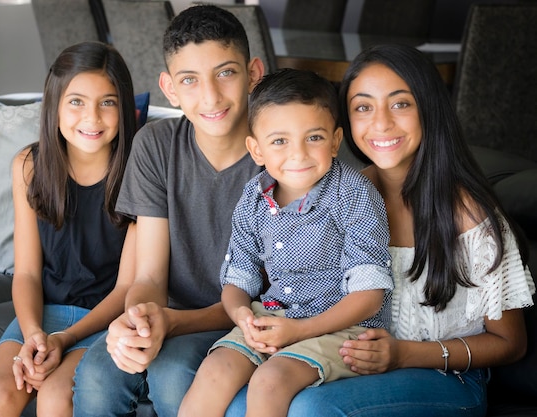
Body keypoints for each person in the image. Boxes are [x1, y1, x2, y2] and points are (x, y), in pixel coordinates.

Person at [224, 43, 536, 417]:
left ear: (428, 108)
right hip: (341, 353)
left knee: (311, 409)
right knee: (241, 398)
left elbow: (510, 343)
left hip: (444, 376)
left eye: (401, 103)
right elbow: (268, 287)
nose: (381, 122)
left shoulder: (469, 215)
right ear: (345, 124)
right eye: (363, 107)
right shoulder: (341, 197)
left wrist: (405, 354)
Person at [71, 5, 265, 417]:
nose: (210, 96)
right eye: (189, 80)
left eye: (226, 73)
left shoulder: (278, 152)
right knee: (97, 374)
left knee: (174, 372)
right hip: (167, 314)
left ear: (254, 72)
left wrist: (171, 323)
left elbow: (264, 295)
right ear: (169, 88)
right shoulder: (155, 146)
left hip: (241, 321)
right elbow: (149, 276)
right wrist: (140, 318)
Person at [178, 68, 394, 417]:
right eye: (280, 141)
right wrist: (243, 316)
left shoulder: (354, 194)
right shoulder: (253, 197)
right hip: (275, 316)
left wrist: (299, 331)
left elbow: (369, 297)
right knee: (216, 370)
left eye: (314, 138)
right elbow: (238, 280)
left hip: (343, 327)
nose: (299, 154)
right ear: (256, 149)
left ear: (336, 141)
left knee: (270, 380)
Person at [0, 41, 137, 417]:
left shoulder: (136, 173)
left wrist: (65, 339)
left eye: (107, 102)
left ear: (123, 107)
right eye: (76, 101)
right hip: (43, 317)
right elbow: (27, 272)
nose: (91, 117)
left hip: (104, 319)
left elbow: (128, 287)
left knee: (56, 398)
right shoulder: (29, 166)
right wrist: (33, 335)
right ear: (55, 105)